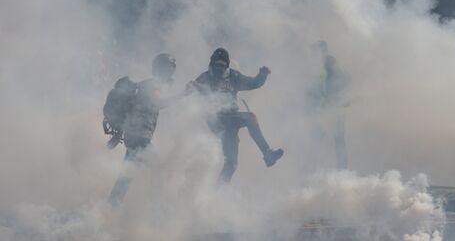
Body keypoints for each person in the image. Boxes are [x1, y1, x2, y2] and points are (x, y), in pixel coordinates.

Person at [189, 48, 284, 184]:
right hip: (217, 120)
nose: (218, 69)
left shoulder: (234, 76)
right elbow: (193, 94)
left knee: (232, 163)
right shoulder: (204, 77)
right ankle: (267, 153)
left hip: (232, 120)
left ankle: (217, 194)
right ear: (211, 65)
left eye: (222, 66)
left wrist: (262, 75)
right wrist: (192, 87)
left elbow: (253, 83)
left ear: (226, 66)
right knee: (250, 117)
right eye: (216, 65)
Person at [106, 53, 187, 206]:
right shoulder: (151, 85)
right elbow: (158, 104)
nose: (169, 74)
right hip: (139, 138)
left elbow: (135, 111)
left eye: (171, 70)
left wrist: (119, 134)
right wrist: (183, 94)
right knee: (156, 170)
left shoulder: (147, 85)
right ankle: (157, 213)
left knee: (126, 176)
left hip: (135, 136)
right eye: (167, 70)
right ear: (159, 69)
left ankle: (109, 209)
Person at [306, 41, 351, 171]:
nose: (313, 54)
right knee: (329, 139)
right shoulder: (325, 65)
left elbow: (335, 85)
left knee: (330, 139)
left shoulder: (331, 65)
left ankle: (340, 171)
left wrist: (336, 98)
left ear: (323, 51)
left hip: (334, 109)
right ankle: (339, 170)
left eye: (316, 51)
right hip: (330, 108)